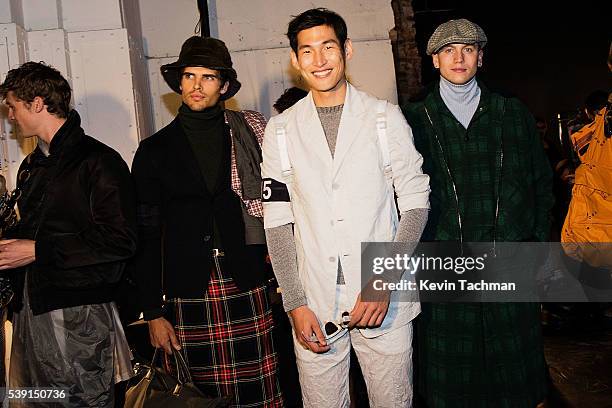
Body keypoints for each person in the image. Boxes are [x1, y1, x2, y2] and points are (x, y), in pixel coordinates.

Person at [261, 8, 430, 407]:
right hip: (314, 301)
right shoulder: (280, 131)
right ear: (295, 60)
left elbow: (416, 205)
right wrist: (295, 303)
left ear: (347, 49)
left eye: (328, 47)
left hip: (381, 297)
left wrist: (383, 280)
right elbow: (277, 222)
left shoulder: (383, 118)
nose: (318, 61)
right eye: (307, 51)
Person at [402, 19, 553, 407]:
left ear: (480, 57)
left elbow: (541, 183)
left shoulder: (512, 112)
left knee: (515, 374)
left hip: (509, 259)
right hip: (444, 261)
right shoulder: (412, 119)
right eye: (448, 51)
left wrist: (535, 243)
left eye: (468, 49)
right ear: (434, 60)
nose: (459, 58)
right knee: (453, 379)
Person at [131, 36, 282, 406]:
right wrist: (152, 312)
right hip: (187, 287)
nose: (197, 86)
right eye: (189, 76)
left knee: (258, 395)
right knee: (197, 398)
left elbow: (281, 200)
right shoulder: (154, 151)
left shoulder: (252, 135)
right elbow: (146, 235)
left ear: (224, 85)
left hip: (246, 277)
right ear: (179, 83)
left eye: (208, 77)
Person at [0, 61, 136, 407]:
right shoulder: (33, 166)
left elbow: (121, 240)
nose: (10, 118)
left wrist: (38, 250)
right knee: (38, 400)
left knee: (82, 401)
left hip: (79, 315)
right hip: (34, 308)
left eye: (13, 107)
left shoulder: (98, 161)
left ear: (37, 103)